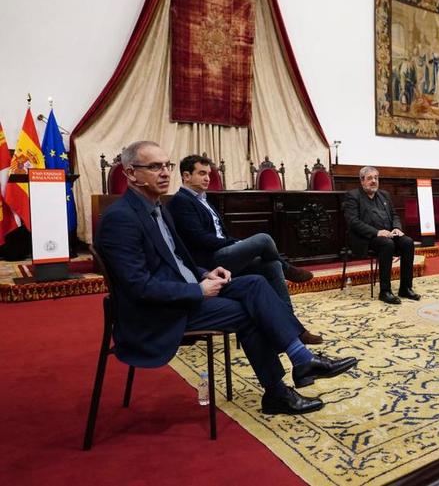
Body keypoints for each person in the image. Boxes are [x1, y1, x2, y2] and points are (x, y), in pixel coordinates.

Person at [95, 141, 357, 415]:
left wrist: (205, 273)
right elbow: (139, 287)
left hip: (184, 291)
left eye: (166, 166)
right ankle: (280, 390)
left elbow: (177, 261)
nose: (164, 173)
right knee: (248, 313)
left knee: (256, 282)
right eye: (153, 167)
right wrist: (198, 291)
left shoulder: (158, 209)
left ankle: (301, 362)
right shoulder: (120, 219)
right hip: (158, 312)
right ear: (130, 173)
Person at [167, 155, 322, 344]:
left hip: (221, 254)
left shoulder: (204, 200)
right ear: (186, 176)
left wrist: (234, 243)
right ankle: (288, 269)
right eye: (201, 173)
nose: (208, 178)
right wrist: (233, 244)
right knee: (263, 239)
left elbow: (220, 235)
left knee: (272, 265)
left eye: (208, 174)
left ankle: (293, 329)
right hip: (208, 264)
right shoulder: (181, 201)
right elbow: (198, 239)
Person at [344, 166, 420, 305]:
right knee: (387, 244)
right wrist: (377, 232)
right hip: (366, 238)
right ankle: (385, 291)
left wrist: (397, 228)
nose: (374, 181)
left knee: (407, 242)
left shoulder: (384, 195)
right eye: (370, 178)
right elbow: (353, 222)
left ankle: (405, 287)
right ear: (362, 181)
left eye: (376, 178)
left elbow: (394, 215)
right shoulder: (353, 196)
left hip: (388, 235)